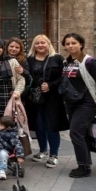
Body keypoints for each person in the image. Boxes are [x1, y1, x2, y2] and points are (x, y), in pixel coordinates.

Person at [60, 33, 96, 178]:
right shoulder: (66, 62)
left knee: (75, 132)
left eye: (74, 43)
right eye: (67, 43)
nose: (70, 46)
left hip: (87, 102)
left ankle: (84, 167)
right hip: (71, 102)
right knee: (81, 133)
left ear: (81, 44)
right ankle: (85, 163)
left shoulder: (89, 62)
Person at [26, 34, 67, 169]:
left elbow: (64, 77)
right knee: (39, 125)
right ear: (34, 46)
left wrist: (51, 85)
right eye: (37, 43)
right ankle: (43, 150)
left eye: (43, 43)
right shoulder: (30, 60)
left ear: (48, 44)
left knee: (52, 126)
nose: (40, 45)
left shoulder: (57, 59)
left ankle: (53, 155)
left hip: (52, 98)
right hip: (35, 98)